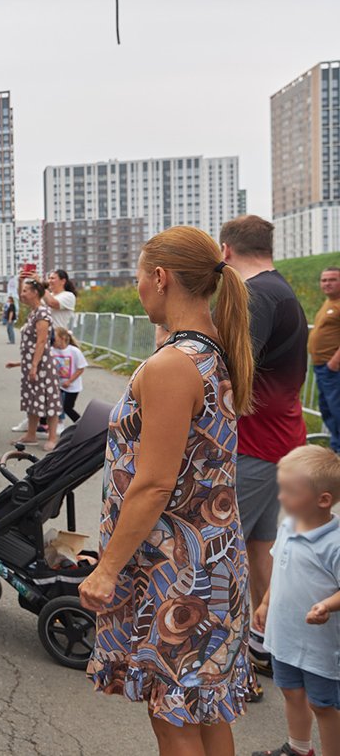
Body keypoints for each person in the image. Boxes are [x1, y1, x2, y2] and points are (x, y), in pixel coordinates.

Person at [81, 225, 256, 756]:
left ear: (160, 278)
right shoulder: (210, 353)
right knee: (201, 709)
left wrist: (107, 568)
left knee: (173, 717)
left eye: (139, 277)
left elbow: (154, 483)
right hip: (210, 558)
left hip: (176, 569)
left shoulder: (172, 366)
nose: (138, 289)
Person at [219, 214, 309, 688]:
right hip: (285, 437)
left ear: (226, 251)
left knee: (225, 551)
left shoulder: (254, 296)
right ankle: (266, 647)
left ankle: (237, 665)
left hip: (254, 445)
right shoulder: (285, 290)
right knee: (260, 552)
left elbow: (236, 373)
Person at [251, 445, 340, 756]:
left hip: (320, 645)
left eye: (289, 491)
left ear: (323, 500)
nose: (280, 497)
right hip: (286, 635)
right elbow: (280, 569)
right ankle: (299, 748)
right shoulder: (288, 525)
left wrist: (328, 605)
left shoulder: (335, 543)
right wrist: (264, 602)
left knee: (323, 704)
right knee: (290, 690)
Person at [6, 279, 61, 451]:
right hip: (32, 364)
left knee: (48, 399)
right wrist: (21, 363)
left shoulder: (42, 313)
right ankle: (31, 434)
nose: (22, 295)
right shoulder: (34, 312)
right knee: (33, 399)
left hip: (42, 366)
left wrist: (35, 365)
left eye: (25, 291)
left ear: (35, 293)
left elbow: (42, 340)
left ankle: (52, 438)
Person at [310, 267, 340, 454]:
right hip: (322, 368)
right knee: (328, 410)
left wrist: (334, 363)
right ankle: (336, 449)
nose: (327, 283)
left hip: (333, 369)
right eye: (324, 280)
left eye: (332, 280)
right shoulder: (329, 303)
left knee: (337, 410)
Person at [50, 327, 87, 424]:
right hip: (57, 384)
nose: (52, 340)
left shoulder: (74, 351)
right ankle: (53, 424)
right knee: (54, 405)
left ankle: (81, 423)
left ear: (62, 338)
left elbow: (81, 368)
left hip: (72, 386)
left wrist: (69, 381)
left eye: (54, 337)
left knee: (67, 407)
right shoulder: (52, 350)